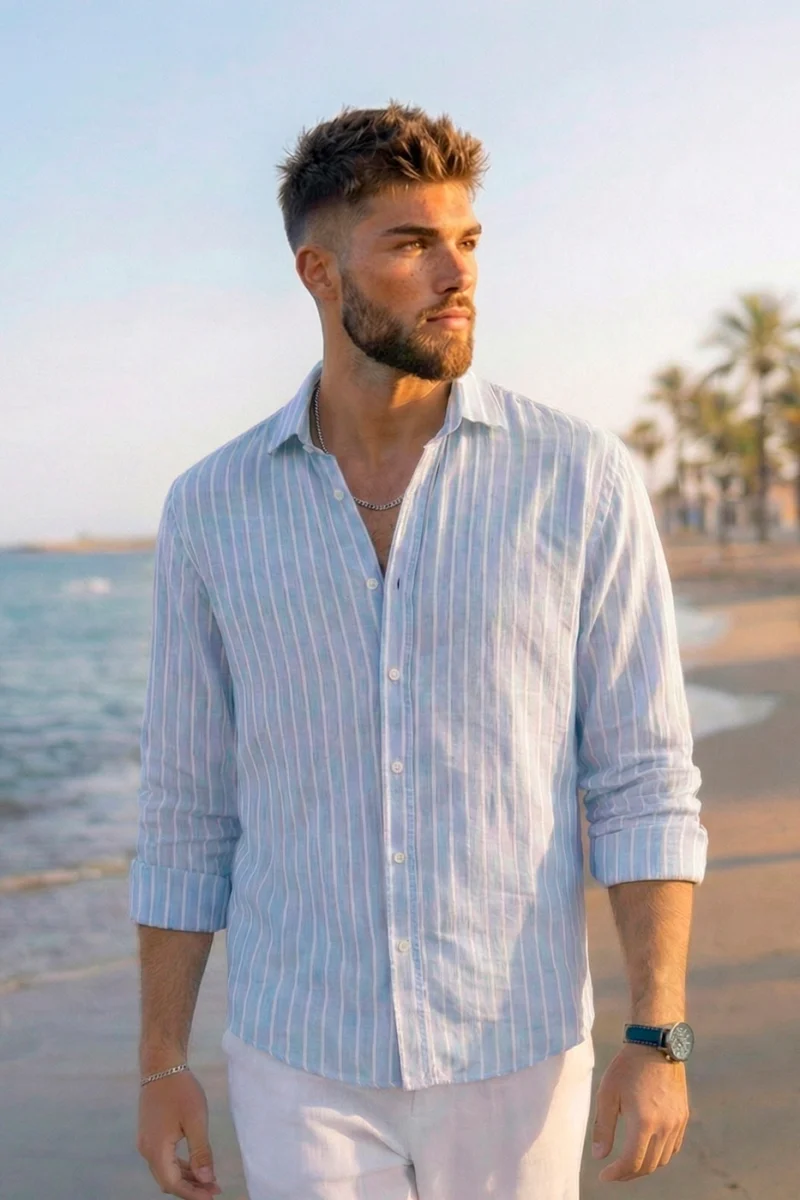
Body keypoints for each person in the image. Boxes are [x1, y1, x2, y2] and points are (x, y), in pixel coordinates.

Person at [132, 103, 708, 1200]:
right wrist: (162, 1061)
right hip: (298, 1058)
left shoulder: (577, 478)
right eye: (411, 244)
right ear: (318, 272)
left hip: (516, 1052)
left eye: (468, 240)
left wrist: (658, 1034)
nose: (458, 274)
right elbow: (186, 806)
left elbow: (642, 777)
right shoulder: (210, 509)